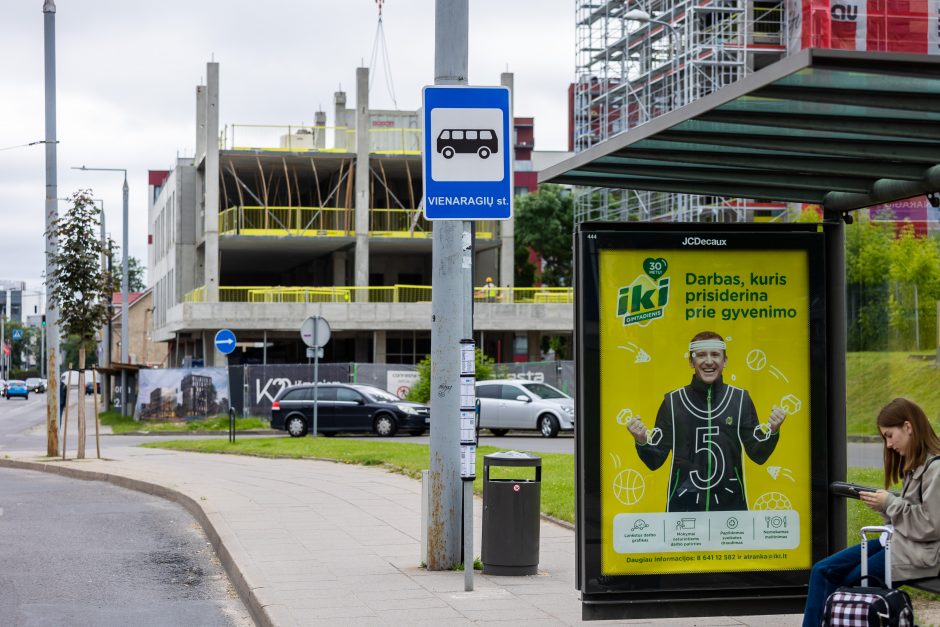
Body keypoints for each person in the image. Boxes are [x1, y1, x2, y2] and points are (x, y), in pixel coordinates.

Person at [802, 397, 940, 627]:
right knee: (823, 571)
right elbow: (910, 516)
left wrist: (889, 503)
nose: (888, 444)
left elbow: (930, 526)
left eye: (889, 435)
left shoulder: (935, 469)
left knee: (849, 583)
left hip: (922, 554)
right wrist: (885, 507)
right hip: (900, 543)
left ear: (908, 427)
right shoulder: (916, 465)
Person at [627, 330, 786, 512]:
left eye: (715, 355)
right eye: (701, 355)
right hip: (683, 510)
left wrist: (773, 431)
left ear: (725, 361)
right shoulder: (672, 402)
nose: (709, 361)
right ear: (691, 362)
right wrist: (641, 441)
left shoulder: (740, 399)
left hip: (731, 509)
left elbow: (758, 455)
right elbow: (655, 461)